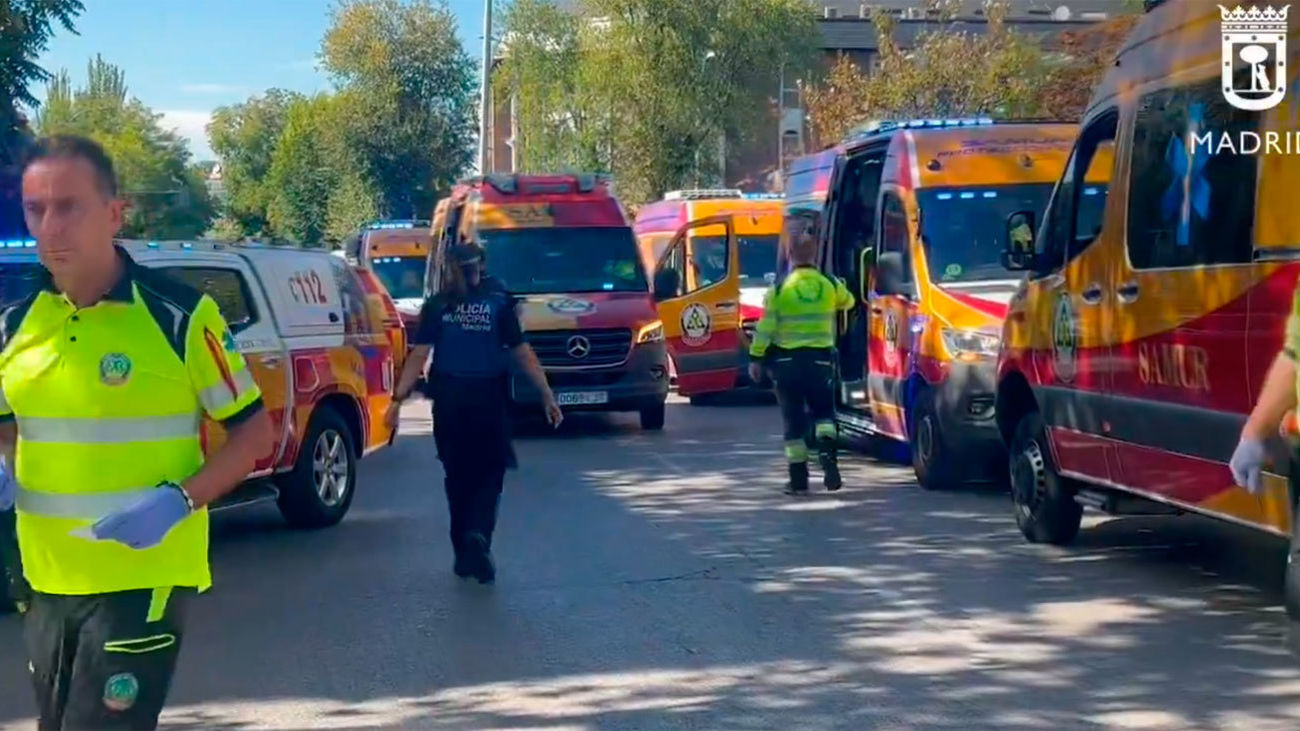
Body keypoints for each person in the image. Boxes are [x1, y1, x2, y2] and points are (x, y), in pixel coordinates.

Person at [0, 135, 273, 730]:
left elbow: (255, 435)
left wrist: (179, 502)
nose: (50, 227)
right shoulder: (14, 326)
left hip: (140, 581)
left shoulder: (180, 317)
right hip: (45, 580)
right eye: (36, 209)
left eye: (69, 206)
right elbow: (8, 433)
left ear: (114, 213)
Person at [386, 241, 562, 584]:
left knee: (456, 476)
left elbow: (419, 355)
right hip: (489, 399)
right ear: (480, 267)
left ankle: (462, 551)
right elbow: (523, 353)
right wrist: (547, 395)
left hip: (449, 401)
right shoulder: (498, 304)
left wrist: (397, 400)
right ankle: (478, 533)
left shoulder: (438, 306)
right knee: (490, 472)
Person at [748, 216, 855, 495]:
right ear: (815, 255)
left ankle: (798, 481)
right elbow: (850, 302)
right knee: (824, 415)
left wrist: (756, 358)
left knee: (793, 423)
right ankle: (828, 456)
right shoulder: (828, 284)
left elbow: (766, 328)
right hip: (820, 362)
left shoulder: (780, 289)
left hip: (787, 365)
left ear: (790, 255)